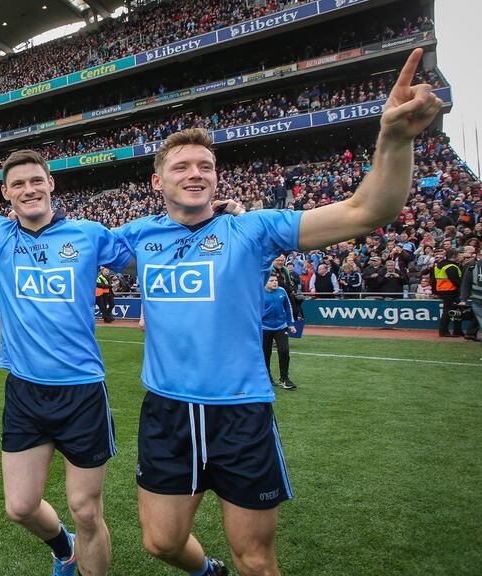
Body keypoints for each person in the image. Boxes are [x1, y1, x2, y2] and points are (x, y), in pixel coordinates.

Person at [112, 48, 442, 576]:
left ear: (217, 177)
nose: (195, 173)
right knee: (161, 543)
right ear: (158, 181)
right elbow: (64, 252)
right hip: (167, 412)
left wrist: (394, 139)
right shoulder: (136, 238)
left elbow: (367, 210)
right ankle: (206, 571)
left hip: (241, 413)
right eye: (181, 167)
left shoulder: (253, 228)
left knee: (256, 559)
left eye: (206, 166)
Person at [0, 90, 243, 576]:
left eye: (37, 180)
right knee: (19, 506)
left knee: (86, 508)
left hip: (81, 391)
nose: (30, 188)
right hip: (25, 391)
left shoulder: (90, 234)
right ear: (7, 194)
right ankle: (65, 550)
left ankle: (87, 553)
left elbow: (161, 245)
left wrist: (215, 221)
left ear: (51, 184)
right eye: (19, 184)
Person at [262, 274, 297, 390]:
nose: (275, 282)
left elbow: (288, 307)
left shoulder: (281, 291)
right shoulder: (259, 292)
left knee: (284, 350)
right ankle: (267, 378)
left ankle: (284, 378)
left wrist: (290, 324)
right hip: (264, 328)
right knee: (265, 354)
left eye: (276, 280)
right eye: (271, 280)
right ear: (265, 282)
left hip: (281, 326)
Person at [433, 247, 463, 336]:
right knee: (448, 311)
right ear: (454, 256)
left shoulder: (440, 265)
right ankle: (443, 331)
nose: (460, 256)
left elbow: (434, 280)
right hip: (450, 291)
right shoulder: (451, 267)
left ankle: (457, 330)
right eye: (459, 254)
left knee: (457, 310)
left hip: (443, 290)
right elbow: (456, 281)